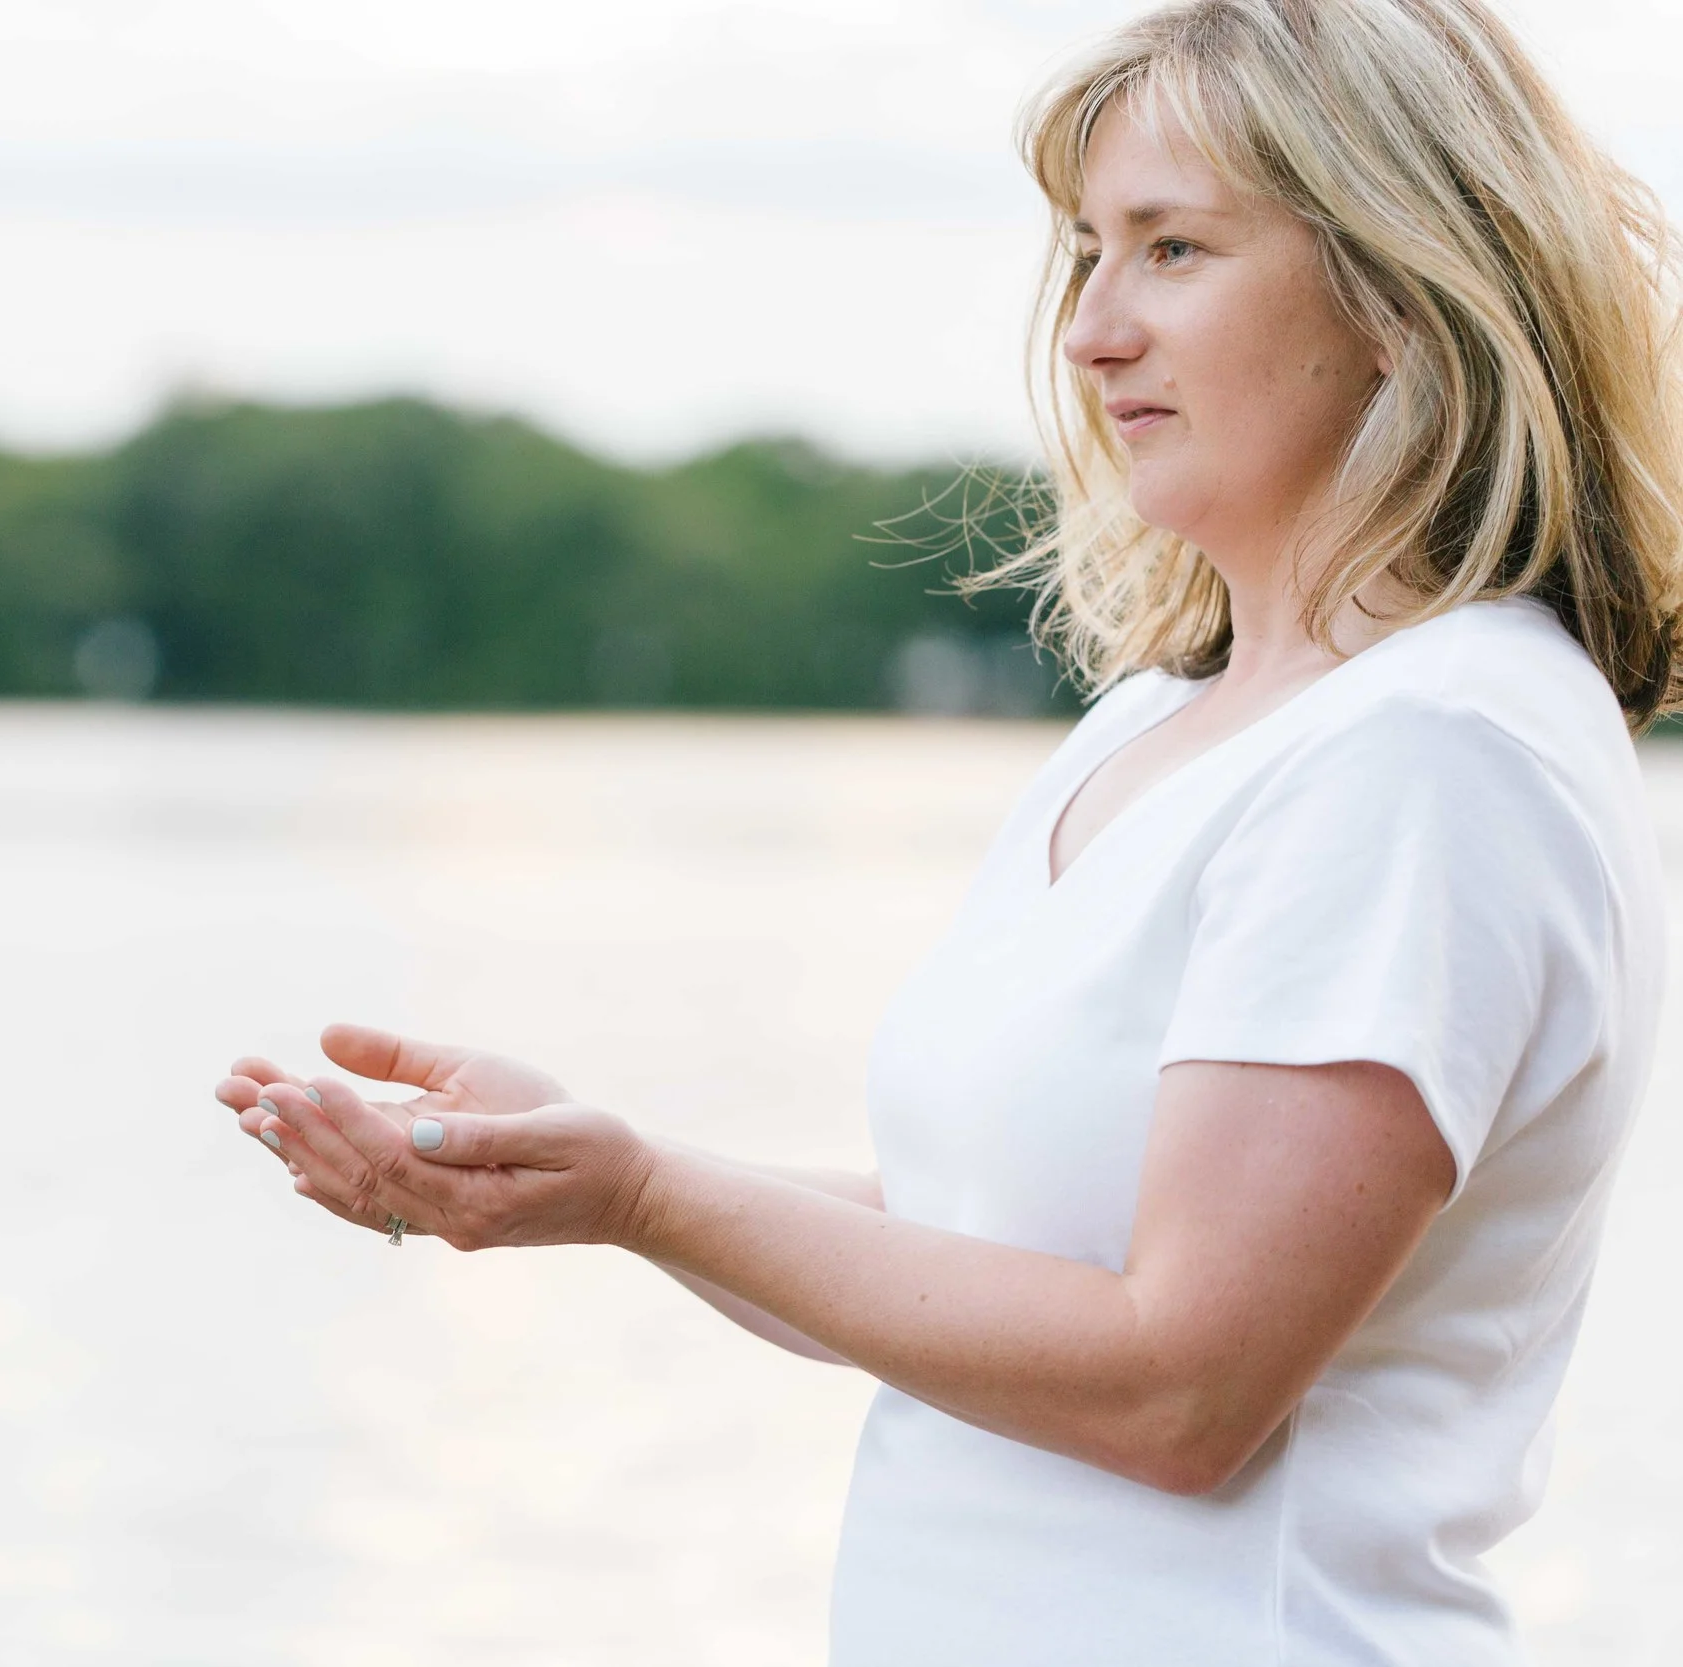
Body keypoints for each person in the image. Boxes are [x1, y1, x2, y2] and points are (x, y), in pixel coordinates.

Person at [213, 1, 1683, 1660]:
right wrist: (574, 1165)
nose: (1093, 331)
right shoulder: (1156, 723)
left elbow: (1180, 1388)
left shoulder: (1435, 746)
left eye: (1173, 248)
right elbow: (967, 1254)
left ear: (1402, 292)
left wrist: (645, 1194)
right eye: (1087, 254)